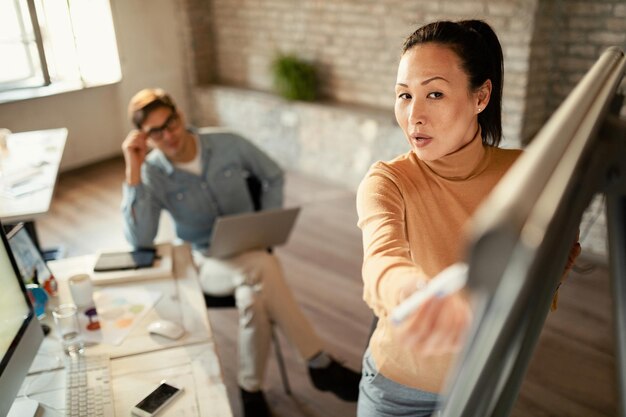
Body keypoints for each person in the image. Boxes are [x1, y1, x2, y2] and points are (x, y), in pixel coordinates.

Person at [356, 20, 580, 417]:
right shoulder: (388, 180)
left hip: (483, 383)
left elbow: (551, 266)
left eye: (435, 93)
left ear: (481, 97)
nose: (414, 116)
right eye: (404, 95)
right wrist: (412, 292)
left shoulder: (529, 175)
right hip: (395, 390)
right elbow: (381, 259)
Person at [121, 88, 360, 417]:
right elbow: (140, 239)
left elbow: (273, 174)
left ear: (180, 114)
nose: (169, 135)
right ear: (145, 138)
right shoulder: (153, 172)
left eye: (171, 123)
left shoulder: (227, 143)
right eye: (155, 132)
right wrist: (132, 172)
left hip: (250, 248)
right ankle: (319, 363)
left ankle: (251, 392)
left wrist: (266, 223)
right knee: (263, 265)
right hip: (207, 262)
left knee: (253, 299)